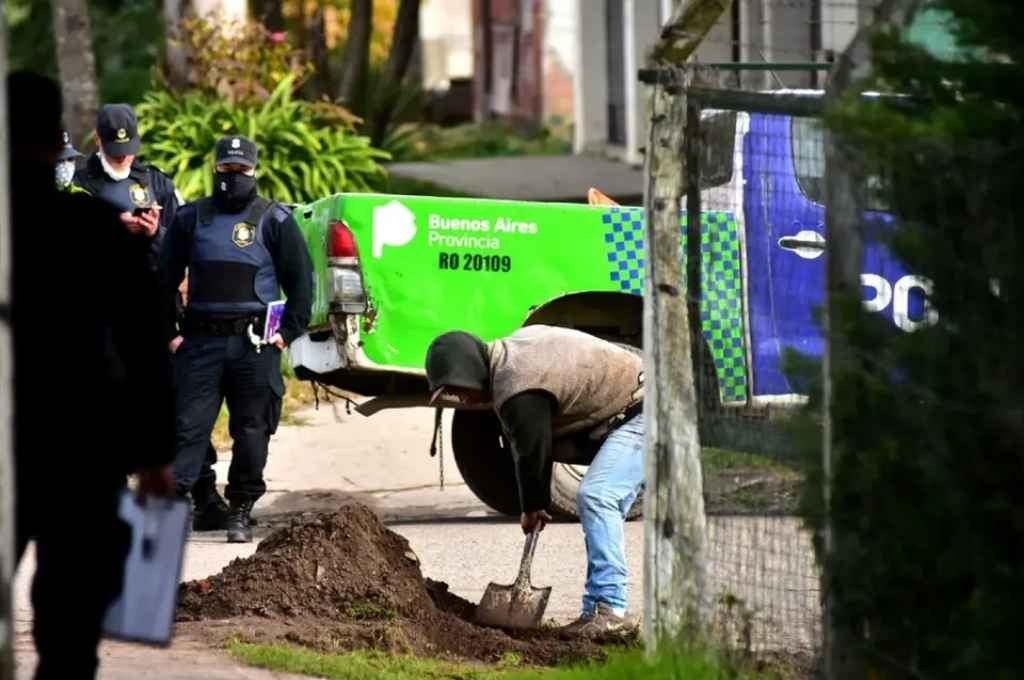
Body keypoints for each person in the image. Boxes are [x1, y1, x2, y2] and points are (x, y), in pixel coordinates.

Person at [7, 71, 177, 680]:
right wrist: (156, 455)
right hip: (78, 445)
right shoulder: (94, 230)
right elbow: (147, 343)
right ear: (60, 143)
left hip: (38, 442)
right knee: (71, 627)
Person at [425, 325, 645, 636]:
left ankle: (610, 610)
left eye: (458, 389)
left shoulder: (516, 385)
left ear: (470, 370)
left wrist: (532, 507)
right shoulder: (509, 355)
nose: (461, 398)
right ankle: (594, 611)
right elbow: (528, 444)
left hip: (648, 410)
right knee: (597, 502)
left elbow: (531, 451)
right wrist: (534, 501)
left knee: (597, 497)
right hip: (624, 410)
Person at [72, 102, 227, 529]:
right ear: (99, 140)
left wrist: (154, 233)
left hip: (157, 313)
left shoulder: (157, 183)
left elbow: (181, 250)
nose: (125, 156)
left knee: (182, 405)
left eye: (130, 148)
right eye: (116, 148)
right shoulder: (80, 184)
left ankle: (203, 491)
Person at [160, 134, 314, 543]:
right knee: (187, 429)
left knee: (252, 430)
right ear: (216, 169)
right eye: (226, 169)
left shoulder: (275, 219)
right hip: (200, 345)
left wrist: (286, 334)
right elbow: (163, 281)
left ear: (254, 170)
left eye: (241, 169)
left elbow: (302, 283)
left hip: (253, 345)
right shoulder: (191, 218)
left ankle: (241, 510)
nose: (233, 176)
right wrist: (169, 335)